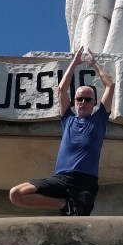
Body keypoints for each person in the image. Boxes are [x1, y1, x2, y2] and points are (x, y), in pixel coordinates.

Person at [9, 47, 114, 216]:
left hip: (85, 183)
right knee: (16, 194)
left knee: (78, 227)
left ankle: (69, 206)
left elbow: (110, 86)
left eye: (87, 99)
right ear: (75, 101)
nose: (83, 102)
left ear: (94, 103)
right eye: (79, 99)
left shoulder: (99, 119)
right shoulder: (68, 118)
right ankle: (62, 203)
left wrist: (94, 64)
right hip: (60, 179)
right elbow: (61, 89)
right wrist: (74, 63)